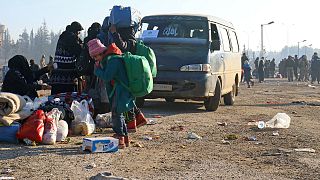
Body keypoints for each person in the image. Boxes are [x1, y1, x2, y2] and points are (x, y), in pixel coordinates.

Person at [88, 39, 134, 148]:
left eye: (95, 57)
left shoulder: (113, 60)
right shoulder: (110, 59)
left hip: (121, 90)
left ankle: (120, 137)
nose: (95, 60)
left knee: (116, 113)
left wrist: (97, 70)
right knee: (119, 113)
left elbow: (107, 76)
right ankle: (124, 137)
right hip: (119, 89)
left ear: (100, 53)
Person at [109, 23, 148, 132]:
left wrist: (115, 34)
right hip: (130, 73)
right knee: (128, 98)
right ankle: (139, 118)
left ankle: (131, 125)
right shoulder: (133, 40)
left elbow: (122, 46)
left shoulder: (131, 42)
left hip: (128, 74)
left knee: (125, 100)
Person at [50, 22, 84, 94]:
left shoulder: (63, 37)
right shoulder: (71, 38)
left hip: (57, 76)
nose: (79, 34)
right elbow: (78, 50)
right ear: (76, 31)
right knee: (68, 98)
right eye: (79, 32)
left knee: (56, 99)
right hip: (67, 76)